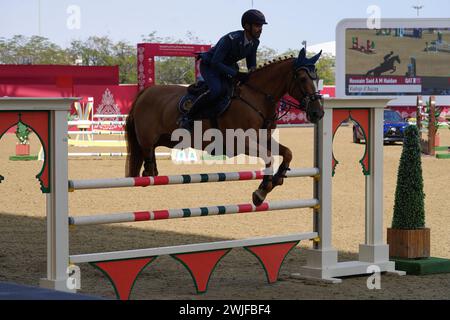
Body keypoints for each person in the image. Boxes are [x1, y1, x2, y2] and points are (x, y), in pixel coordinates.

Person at [180, 9, 267, 130]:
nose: (261, 29)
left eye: (261, 26)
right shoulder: (231, 39)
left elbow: (251, 64)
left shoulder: (255, 42)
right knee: (216, 90)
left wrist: (254, 75)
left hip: (227, 67)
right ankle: (188, 118)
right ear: (247, 26)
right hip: (210, 66)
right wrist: (236, 74)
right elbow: (216, 62)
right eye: (258, 25)